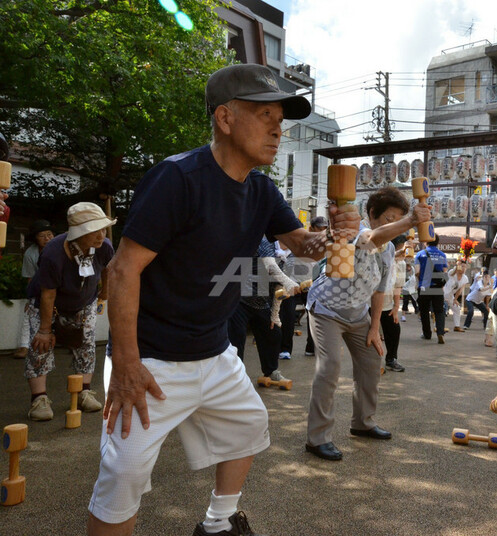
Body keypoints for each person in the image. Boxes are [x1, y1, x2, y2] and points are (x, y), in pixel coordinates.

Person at [87, 63, 360, 536]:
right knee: (124, 474)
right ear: (225, 118)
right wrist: (126, 364)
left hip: (214, 351)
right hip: (151, 357)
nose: (278, 129)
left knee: (249, 426)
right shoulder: (178, 178)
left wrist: (334, 235)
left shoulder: (260, 188)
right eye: (265, 115)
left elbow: (300, 244)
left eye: (281, 118)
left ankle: (218, 524)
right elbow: (122, 269)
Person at [305, 187, 430, 461]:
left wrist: (374, 329)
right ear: (372, 215)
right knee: (329, 368)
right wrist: (411, 220)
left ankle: (363, 423)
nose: (393, 224)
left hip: (358, 314)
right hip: (326, 310)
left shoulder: (387, 253)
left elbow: (378, 292)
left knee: (373, 361)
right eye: (389, 218)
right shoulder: (354, 234)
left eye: (399, 218)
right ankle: (317, 438)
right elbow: (371, 237)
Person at [25, 203, 114, 421]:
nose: (101, 235)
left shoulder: (105, 247)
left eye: (103, 229)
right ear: (78, 233)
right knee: (41, 346)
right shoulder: (53, 253)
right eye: (95, 231)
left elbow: (108, 270)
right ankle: (39, 398)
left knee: (86, 343)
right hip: (47, 304)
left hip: (84, 303)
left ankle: (84, 391)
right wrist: (45, 330)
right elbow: (48, 294)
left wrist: (104, 295)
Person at [227, 237, 298, 386]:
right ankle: (234, 378)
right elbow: (271, 267)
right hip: (239, 298)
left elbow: (279, 287)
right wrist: (290, 283)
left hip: (261, 300)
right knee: (236, 338)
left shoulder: (289, 255)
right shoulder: (261, 240)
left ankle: (271, 371)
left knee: (273, 333)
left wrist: (274, 315)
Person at [14, 220, 55, 359]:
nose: (47, 238)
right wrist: (30, 298)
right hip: (41, 288)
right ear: (35, 238)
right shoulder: (30, 254)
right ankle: (25, 345)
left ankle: (71, 343)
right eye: (42, 236)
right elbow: (31, 279)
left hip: (61, 288)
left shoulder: (60, 248)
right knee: (29, 311)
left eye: (49, 234)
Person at [380, 235, 407, 372]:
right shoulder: (380, 254)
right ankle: (371, 364)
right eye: (403, 246)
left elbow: (398, 286)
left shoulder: (401, 263)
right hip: (369, 302)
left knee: (394, 330)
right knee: (370, 333)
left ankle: (391, 359)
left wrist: (396, 307)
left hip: (387, 304)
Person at [415, 235, 448, 343]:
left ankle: (427, 334)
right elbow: (445, 272)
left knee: (424, 311)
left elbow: (417, 272)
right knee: (439, 311)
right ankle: (440, 332)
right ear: (437, 243)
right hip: (437, 287)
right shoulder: (442, 255)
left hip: (424, 286)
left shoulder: (420, 254)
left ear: (426, 242)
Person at [304, 216, 328, 356]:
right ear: (311, 228)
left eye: (325, 229)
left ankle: (318, 347)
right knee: (312, 314)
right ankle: (310, 346)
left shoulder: (328, 243)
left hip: (323, 283)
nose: (322, 231)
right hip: (304, 283)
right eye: (319, 228)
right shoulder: (304, 242)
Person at [444, 259, 469, 332]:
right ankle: (438, 326)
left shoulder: (465, 278)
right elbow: (452, 273)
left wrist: (455, 299)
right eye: (462, 266)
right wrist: (457, 267)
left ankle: (457, 326)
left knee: (457, 308)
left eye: (465, 267)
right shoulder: (452, 272)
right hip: (443, 294)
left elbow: (460, 290)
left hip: (450, 295)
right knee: (442, 310)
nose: (464, 268)